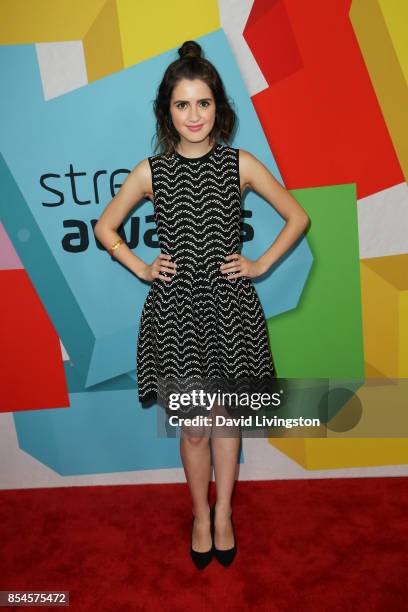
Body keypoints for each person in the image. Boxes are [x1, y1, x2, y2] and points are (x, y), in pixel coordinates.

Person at [94, 40, 309, 570]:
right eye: (182, 104)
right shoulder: (151, 172)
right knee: (193, 426)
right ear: (166, 112)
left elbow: (297, 217)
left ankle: (225, 514)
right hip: (175, 313)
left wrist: (259, 264)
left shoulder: (240, 164)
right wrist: (141, 266)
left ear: (220, 107)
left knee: (227, 421)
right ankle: (197, 513)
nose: (194, 115)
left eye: (203, 102)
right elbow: (105, 228)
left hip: (231, 311)